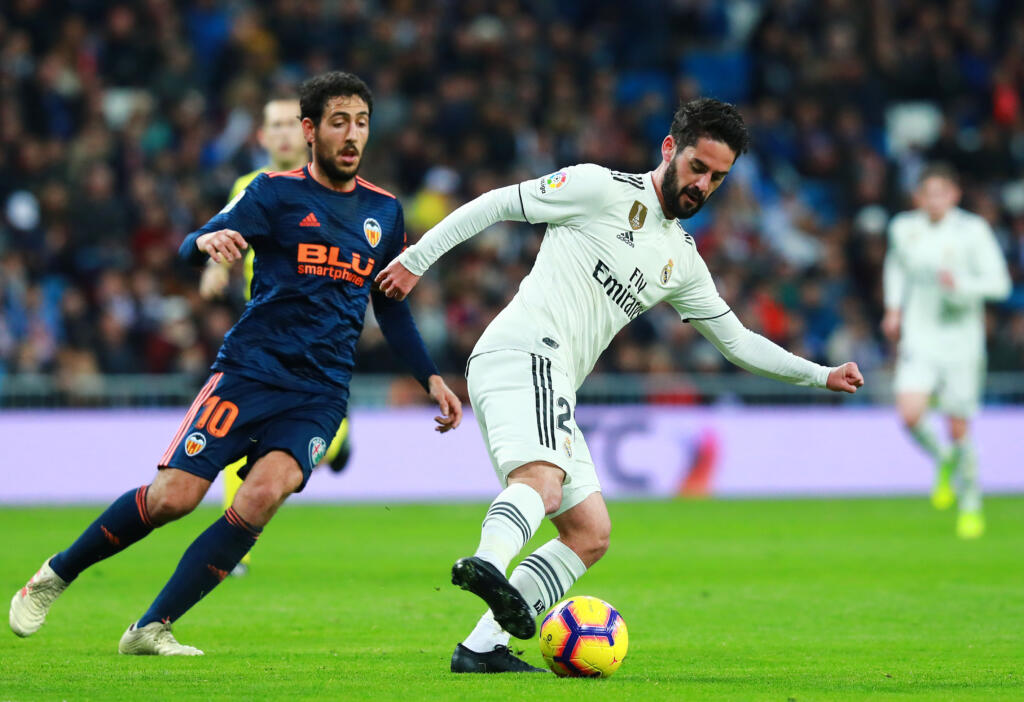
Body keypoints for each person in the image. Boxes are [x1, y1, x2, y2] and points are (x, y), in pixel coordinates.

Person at [376, 98, 864, 673]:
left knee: (589, 532)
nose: (703, 185)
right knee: (543, 483)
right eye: (698, 168)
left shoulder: (680, 258)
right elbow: (499, 203)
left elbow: (736, 340)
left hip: (554, 375)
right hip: (525, 350)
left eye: (717, 178)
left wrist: (819, 374)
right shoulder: (598, 188)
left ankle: (482, 647)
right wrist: (417, 257)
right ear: (669, 150)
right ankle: (486, 562)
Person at [9, 71, 461, 655]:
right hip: (249, 373)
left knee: (263, 494)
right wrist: (202, 245)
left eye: (362, 123)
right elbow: (189, 247)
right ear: (310, 130)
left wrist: (430, 377)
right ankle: (57, 573)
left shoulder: (385, 211)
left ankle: (151, 628)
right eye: (339, 122)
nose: (352, 135)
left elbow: (391, 308)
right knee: (174, 497)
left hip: (319, 393)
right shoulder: (273, 193)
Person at [199, 95, 352, 577]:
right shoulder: (253, 186)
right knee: (233, 435)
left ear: (307, 131)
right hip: (263, 341)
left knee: (316, 429)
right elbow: (225, 233)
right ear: (263, 137)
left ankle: (337, 442)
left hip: (321, 340)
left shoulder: (330, 186)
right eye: (275, 125)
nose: (284, 133)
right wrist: (215, 268)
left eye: (292, 123)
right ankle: (236, 551)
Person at [881, 163, 1011, 539]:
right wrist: (893, 308)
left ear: (954, 195)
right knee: (909, 414)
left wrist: (963, 285)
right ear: (918, 197)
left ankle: (971, 503)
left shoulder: (973, 231)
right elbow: (896, 266)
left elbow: (1000, 285)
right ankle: (945, 462)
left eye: (942, 193)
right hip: (920, 336)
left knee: (958, 427)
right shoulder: (904, 228)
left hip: (961, 341)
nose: (935, 200)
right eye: (928, 193)